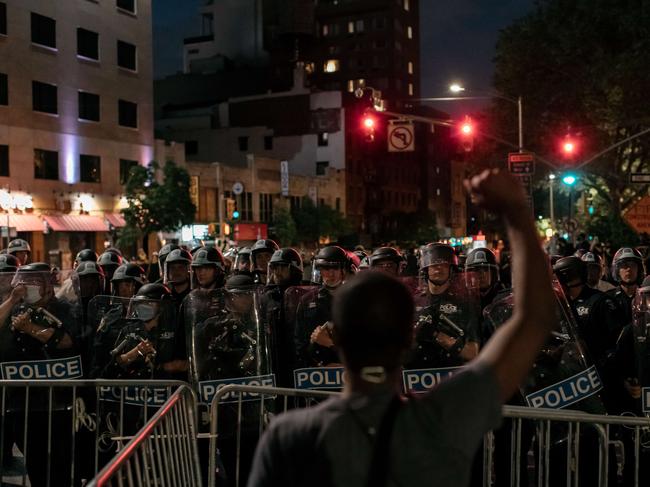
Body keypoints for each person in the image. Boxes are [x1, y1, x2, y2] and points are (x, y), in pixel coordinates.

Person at [247, 168, 557, 487]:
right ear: (409, 336)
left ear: (336, 338)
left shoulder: (288, 438)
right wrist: (517, 211)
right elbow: (535, 318)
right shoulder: (445, 418)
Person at [553, 256, 623, 412]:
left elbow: (617, 340)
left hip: (599, 374)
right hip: (572, 378)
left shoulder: (599, 301)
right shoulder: (560, 306)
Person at [408, 243, 480, 368]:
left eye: (444, 265)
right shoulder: (413, 302)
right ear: (425, 270)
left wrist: (437, 335)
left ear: (451, 269)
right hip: (416, 374)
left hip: (452, 375)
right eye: (434, 265)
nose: (439, 269)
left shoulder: (464, 304)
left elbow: (472, 353)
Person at [294, 246, 352, 368]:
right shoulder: (307, 300)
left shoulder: (355, 299)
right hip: (316, 373)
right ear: (319, 270)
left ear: (344, 269)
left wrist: (330, 344)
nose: (331, 273)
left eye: (335, 268)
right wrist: (317, 365)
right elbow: (299, 344)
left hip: (350, 368)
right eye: (326, 268)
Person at [607, 247, 645, 327]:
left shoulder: (646, 296)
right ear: (617, 270)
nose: (628, 269)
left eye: (633, 265)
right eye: (624, 265)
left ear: (639, 269)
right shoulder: (608, 298)